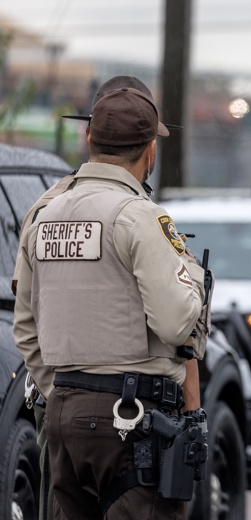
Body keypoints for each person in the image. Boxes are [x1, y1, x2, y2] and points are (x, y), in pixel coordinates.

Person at [13, 86, 209, 519]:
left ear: (90, 140)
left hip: (64, 415)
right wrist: (194, 278)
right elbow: (177, 324)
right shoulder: (139, 216)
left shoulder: (45, 215)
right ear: (150, 150)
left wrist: (63, 391)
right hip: (133, 421)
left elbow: (25, 327)